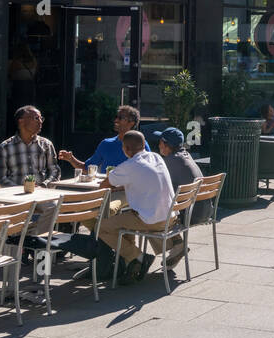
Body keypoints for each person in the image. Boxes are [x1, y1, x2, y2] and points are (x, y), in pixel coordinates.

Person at [97, 131, 176, 285]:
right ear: (143, 144)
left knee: (102, 227)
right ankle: (131, 262)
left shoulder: (130, 165)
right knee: (123, 219)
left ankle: (138, 257)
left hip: (151, 219)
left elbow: (105, 184)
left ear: (125, 148)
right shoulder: (156, 157)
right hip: (169, 216)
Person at [152, 126, 203, 269]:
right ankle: (177, 245)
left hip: (189, 213)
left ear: (167, 144)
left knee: (147, 216)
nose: (158, 145)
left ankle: (177, 245)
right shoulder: (185, 155)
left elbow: (155, 184)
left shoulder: (169, 161)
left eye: (160, 142)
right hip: (201, 210)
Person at [60, 104, 141, 174]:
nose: (116, 120)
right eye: (116, 117)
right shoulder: (106, 144)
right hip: (107, 190)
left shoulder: (140, 144)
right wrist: (71, 159)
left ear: (131, 123)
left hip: (128, 190)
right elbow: (88, 169)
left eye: (120, 118)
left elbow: (145, 170)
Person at [0, 105, 61, 186]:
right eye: (36, 118)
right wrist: (19, 190)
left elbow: (55, 171)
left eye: (41, 118)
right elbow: (0, 178)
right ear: (21, 121)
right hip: (14, 196)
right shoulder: (5, 147)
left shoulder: (46, 144)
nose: (40, 121)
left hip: (42, 194)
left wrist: (44, 185)